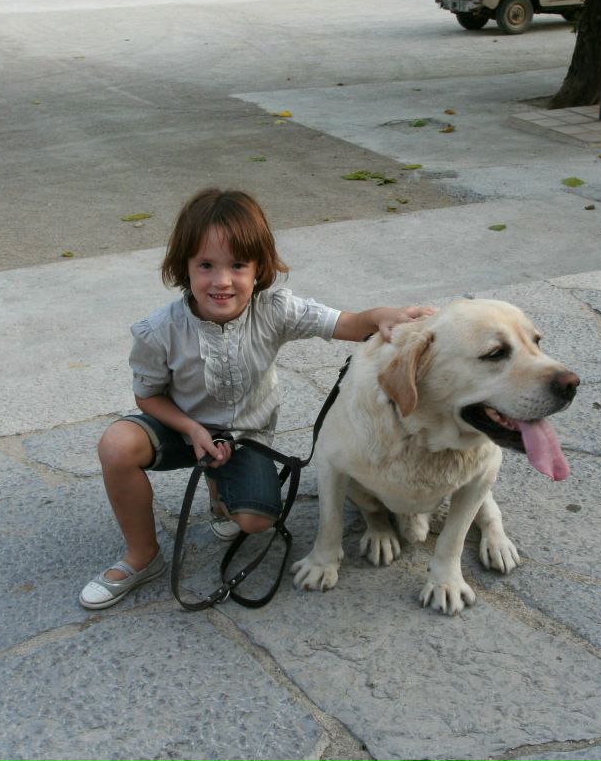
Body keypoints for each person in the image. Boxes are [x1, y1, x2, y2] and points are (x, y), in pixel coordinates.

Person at [78, 188, 433, 609]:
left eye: (238, 265)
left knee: (255, 520)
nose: (221, 281)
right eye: (206, 265)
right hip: (179, 425)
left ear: (259, 268)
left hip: (246, 437)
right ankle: (142, 554)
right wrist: (192, 430)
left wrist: (384, 317)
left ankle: (220, 494)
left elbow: (349, 323)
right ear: (184, 267)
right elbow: (147, 397)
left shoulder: (274, 310)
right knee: (117, 445)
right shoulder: (159, 330)